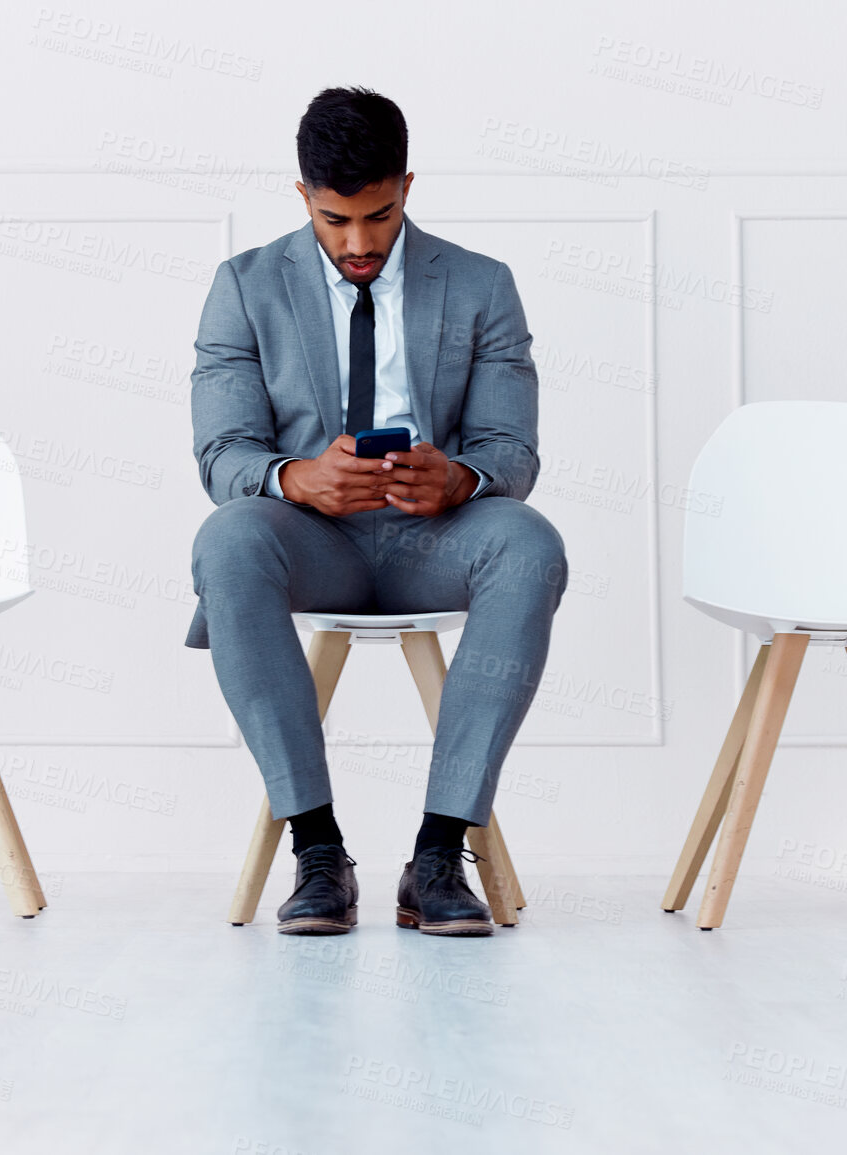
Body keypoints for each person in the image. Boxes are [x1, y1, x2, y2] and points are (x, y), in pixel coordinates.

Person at [186, 87, 566, 937]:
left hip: (439, 536)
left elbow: (514, 450)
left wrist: (461, 480)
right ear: (301, 197)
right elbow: (222, 456)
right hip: (309, 540)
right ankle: (318, 853)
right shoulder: (243, 288)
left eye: (379, 216)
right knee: (228, 538)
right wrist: (293, 479)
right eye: (333, 221)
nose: (358, 244)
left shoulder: (480, 285)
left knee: (529, 542)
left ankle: (437, 855)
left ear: (407, 186)